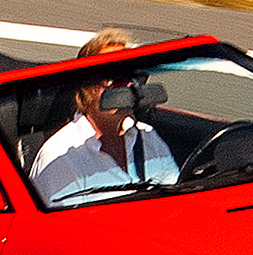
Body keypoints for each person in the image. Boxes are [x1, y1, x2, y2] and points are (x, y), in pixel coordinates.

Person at [29, 62, 178, 204]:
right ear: (88, 89)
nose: (130, 87)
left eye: (136, 78)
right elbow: (66, 227)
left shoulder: (146, 135)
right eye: (117, 82)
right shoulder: (60, 156)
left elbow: (175, 194)